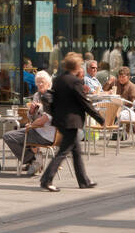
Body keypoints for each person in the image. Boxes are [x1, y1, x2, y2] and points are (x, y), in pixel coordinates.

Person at [40, 53, 103, 192]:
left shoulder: (58, 79)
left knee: (76, 151)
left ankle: (84, 180)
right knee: (63, 152)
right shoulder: (75, 81)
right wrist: (100, 118)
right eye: (80, 64)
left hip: (60, 120)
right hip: (71, 121)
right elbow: (84, 102)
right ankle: (46, 179)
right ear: (76, 66)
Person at [4, 71, 55, 174]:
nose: (39, 84)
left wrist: (31, 125)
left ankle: (33, 158)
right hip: (37, 130)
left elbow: (44, 120)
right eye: (38, 82)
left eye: (42, 82)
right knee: (15, 135)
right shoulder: (37, 95)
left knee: (9, 137)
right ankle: (33, 160)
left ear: (48, 83)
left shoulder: (50, 97)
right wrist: (31, 111)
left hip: (45, 133)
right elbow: (31, 117)